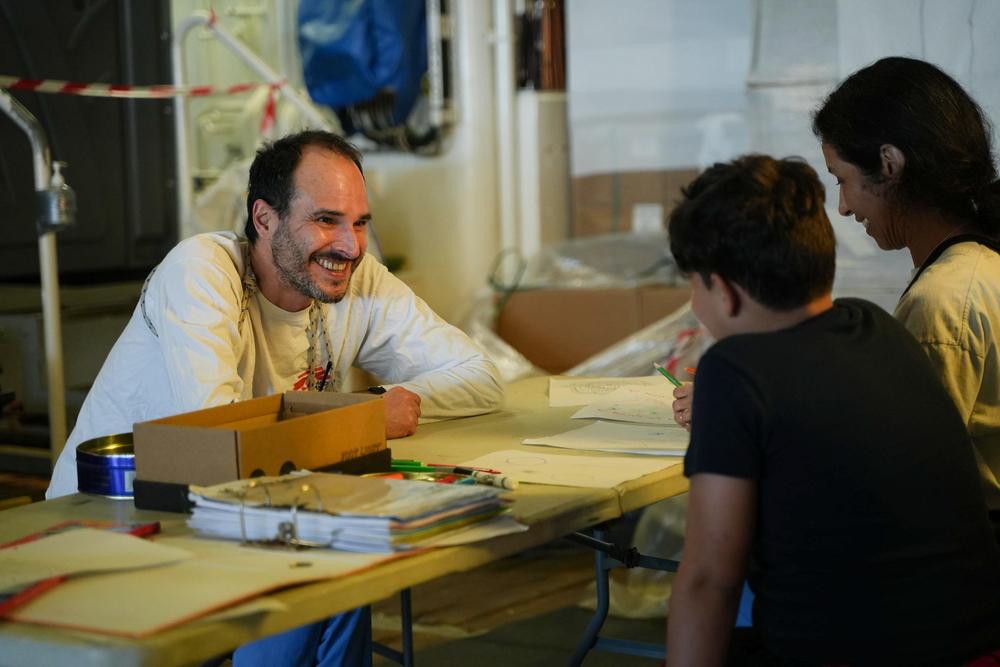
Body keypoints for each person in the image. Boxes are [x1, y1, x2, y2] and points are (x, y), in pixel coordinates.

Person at [46, 129, 504, 665]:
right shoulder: (201, 271)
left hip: (236, 520)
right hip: (111, 534)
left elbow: (479, 375)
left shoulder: (359, 280)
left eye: (360, 223)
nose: (350, 246)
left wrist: (370, 407)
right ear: (264, 220)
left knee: (342, 564)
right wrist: (361, 419)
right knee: (315, 567)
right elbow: (218, 441)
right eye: (326, 219)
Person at [664, 154, 1000, 665]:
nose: (693, 304)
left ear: (725, 292)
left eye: (694, 285)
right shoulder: (877, 327)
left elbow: (710, 578)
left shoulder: (733, 372)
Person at [813, 56, 1000, 537]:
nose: (844, 206)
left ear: (890, 165)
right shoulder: (977, 265)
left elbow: (902, 472)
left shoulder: (945, 300)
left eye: (842, 179)